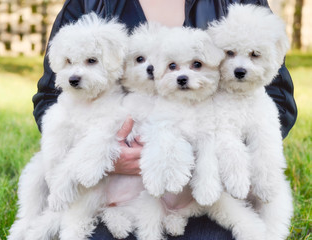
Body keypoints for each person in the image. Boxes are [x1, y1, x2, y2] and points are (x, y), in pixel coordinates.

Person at [32, 0, 297, 239]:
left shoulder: (241, 6)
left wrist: (226, 149)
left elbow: (278, 95)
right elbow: (50, 97)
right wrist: (107, 158)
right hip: (113, 187)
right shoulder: (89, 3)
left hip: (215, 182)